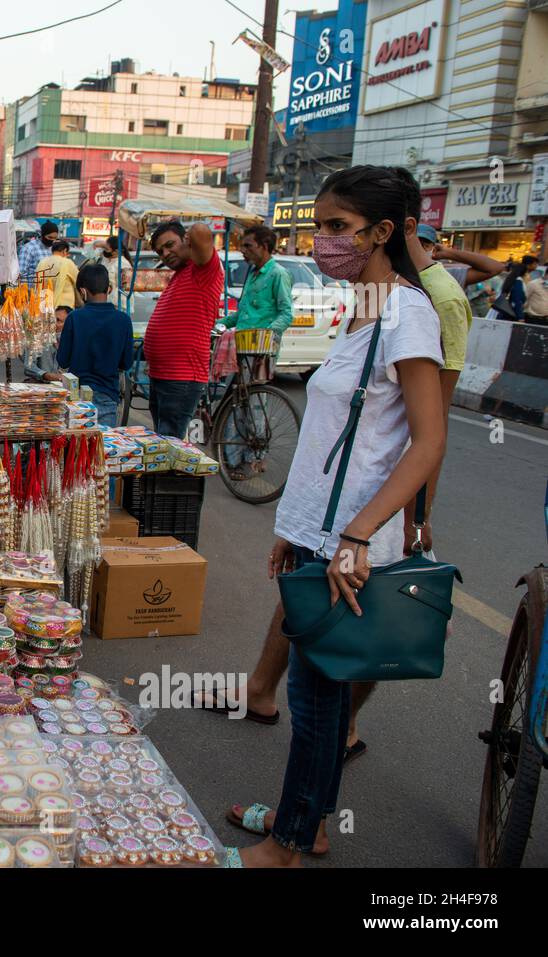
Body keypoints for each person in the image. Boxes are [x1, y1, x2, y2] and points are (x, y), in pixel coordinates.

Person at [222, 166, 445, 866]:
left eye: (338, 228)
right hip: (319, 533)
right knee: (319, 699)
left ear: (383, 232)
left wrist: (354, 536)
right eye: (318, 227)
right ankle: (305, 823)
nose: (323, 242)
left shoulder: (409, 315)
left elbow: (428, 439)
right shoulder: (362, 306)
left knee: (316, 703)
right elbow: (332, 438)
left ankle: (285, 844)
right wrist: (294, 525)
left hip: (352, 543)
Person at [141, 220, 223, 439]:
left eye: (170, 244)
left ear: (186, 241)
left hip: (182, 377)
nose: (166, 253)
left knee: (172, 445)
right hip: (163, 376)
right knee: (164, 441)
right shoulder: (180, 275)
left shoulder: (204, 270)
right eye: (161, 251)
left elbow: (201, 231)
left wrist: (192, 239)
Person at [44, 263, 133, 425]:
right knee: (104, 447)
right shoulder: (124, 320)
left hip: (78, 398)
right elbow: (126, 363)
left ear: (83, 291)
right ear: (109, 289)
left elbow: (63, 360)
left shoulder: (75, 318)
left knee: (78, 448)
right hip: (108, 395)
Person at [226, 225, 293, 333]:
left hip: (262, 346)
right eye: (242, 246)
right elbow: (242, 314)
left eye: (248, 246)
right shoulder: (252, 273)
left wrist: (266, 336)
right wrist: (217, 323)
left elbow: (286, 314)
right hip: (241, 343)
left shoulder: (278, 274)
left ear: (264, 246)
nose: (243, 250)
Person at [37, 240, 79, 323]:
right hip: (64, 307)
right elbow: (79, 281)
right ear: (64, 251)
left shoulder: (42, 263)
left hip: (45, 306)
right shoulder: (67, 262)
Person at [19, 221, 59, 288]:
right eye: (50, 237)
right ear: (42, 235)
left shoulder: (53, 249)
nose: (52, 240)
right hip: (32, 294)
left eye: (55, 238)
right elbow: (22, 273)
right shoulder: (29, 248)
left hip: (49, 293)